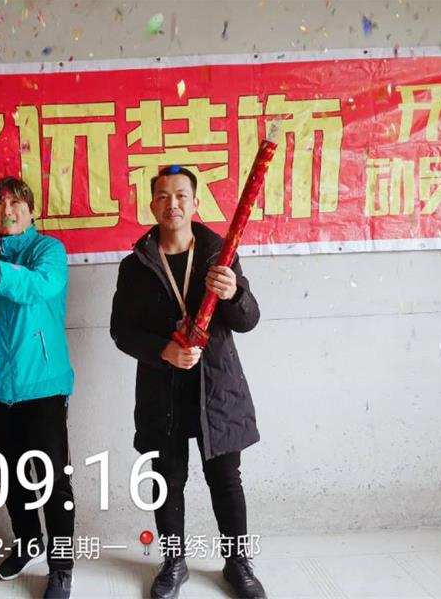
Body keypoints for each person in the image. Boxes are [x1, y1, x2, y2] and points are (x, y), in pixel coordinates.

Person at [110, 165, 266, 599]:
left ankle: (237, 562)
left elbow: (248, 320)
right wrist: (164, 350)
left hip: (217, 387)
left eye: (181, 195)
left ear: (195, 203)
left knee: (226, 479)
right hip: (162, 390)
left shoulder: (221, 255)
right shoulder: (136, 265)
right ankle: (173, 562)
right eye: (162, 196)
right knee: (167, 479)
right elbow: (121, 331)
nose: (172, 203)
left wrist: (235, 293)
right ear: (151, 205)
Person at [0, 177, 75, 599]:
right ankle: (28, 542)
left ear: (31, 210)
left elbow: (40, 286)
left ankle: (61, 566)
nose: (7, 210)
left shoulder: (49, 251)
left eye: (16, 203)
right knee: (10, 477)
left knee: (53, 480)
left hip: (42, 385)